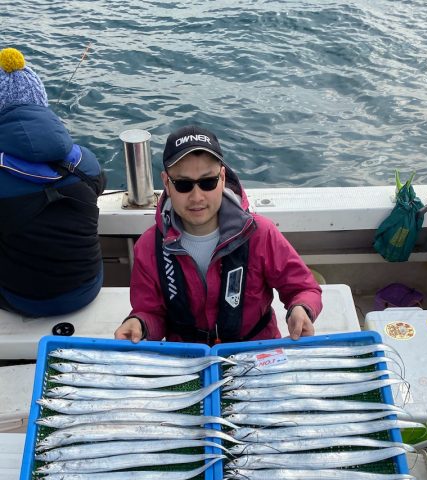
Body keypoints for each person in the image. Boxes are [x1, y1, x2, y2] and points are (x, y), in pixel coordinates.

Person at [115, 124, 322, 344]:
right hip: (187, 354)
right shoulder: (149, 246)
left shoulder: (260, 233)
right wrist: (139, 323)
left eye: (208, 182)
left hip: (255, 349)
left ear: (222, 178)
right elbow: (150, 311)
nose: (197, 197)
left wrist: (301, 308)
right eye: (183, 185)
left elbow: (303, 287)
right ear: (166, 182)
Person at [0, 47, 105, 316]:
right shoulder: (85, 162)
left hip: (21, 299)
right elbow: (99, 186)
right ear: (41, 101)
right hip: (88, 287)